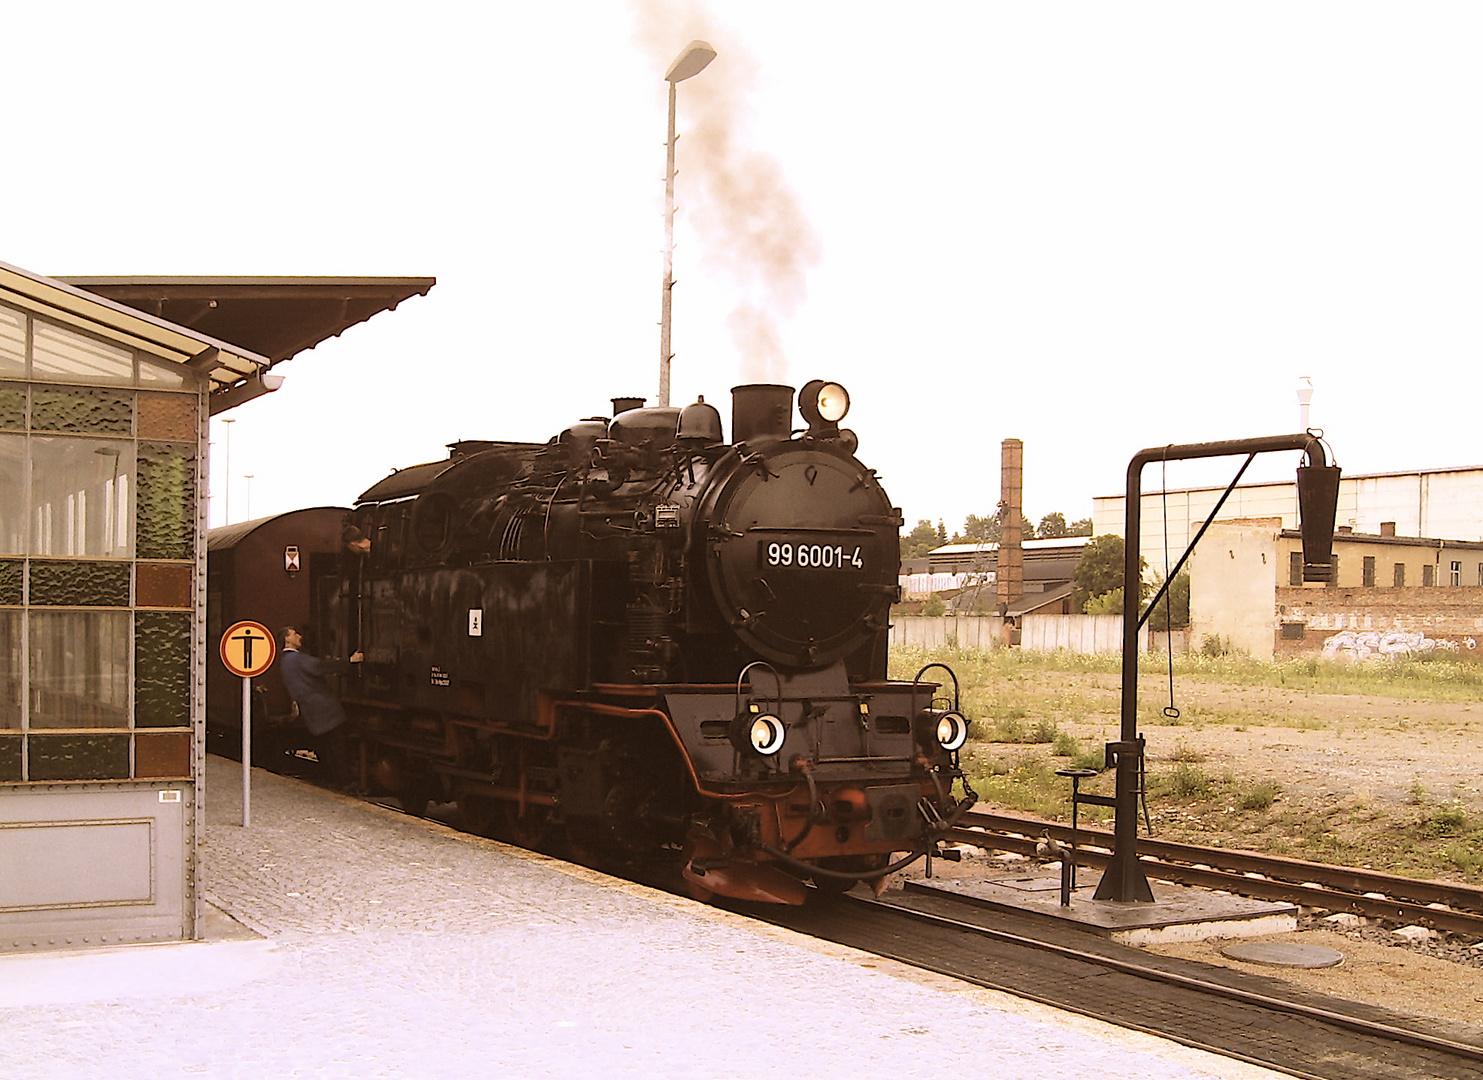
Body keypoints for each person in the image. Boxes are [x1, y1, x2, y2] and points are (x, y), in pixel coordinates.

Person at [278, 626, 364, 792]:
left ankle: (333, 780)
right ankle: (345, 782)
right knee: (338, 747)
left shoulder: (284, 662)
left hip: (312, 713)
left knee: (326, 748)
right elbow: (320, 666)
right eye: (295, 634)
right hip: (325, 710)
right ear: (287, 639)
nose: (299, 636)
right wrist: (349, 661)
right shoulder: (296, 659)